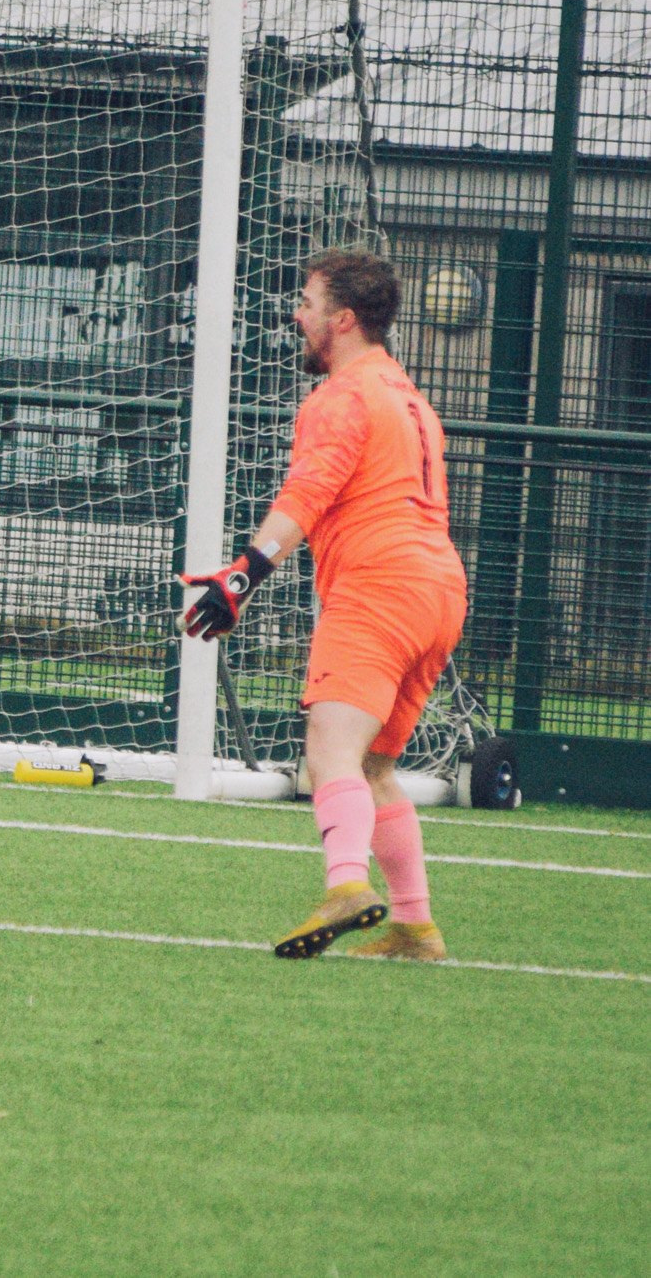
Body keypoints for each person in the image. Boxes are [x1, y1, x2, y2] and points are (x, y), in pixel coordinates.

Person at [179, 249, 463, 961]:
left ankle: (346, 884)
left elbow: (306, 495)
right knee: (374, 765)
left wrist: (239, 577)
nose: (296, 316)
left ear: (341, 319)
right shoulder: (408, 396)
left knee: (330, 753)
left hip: (380, 585)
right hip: (440, 588)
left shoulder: (341, 397)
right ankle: (415, 926)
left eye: (306, 304)